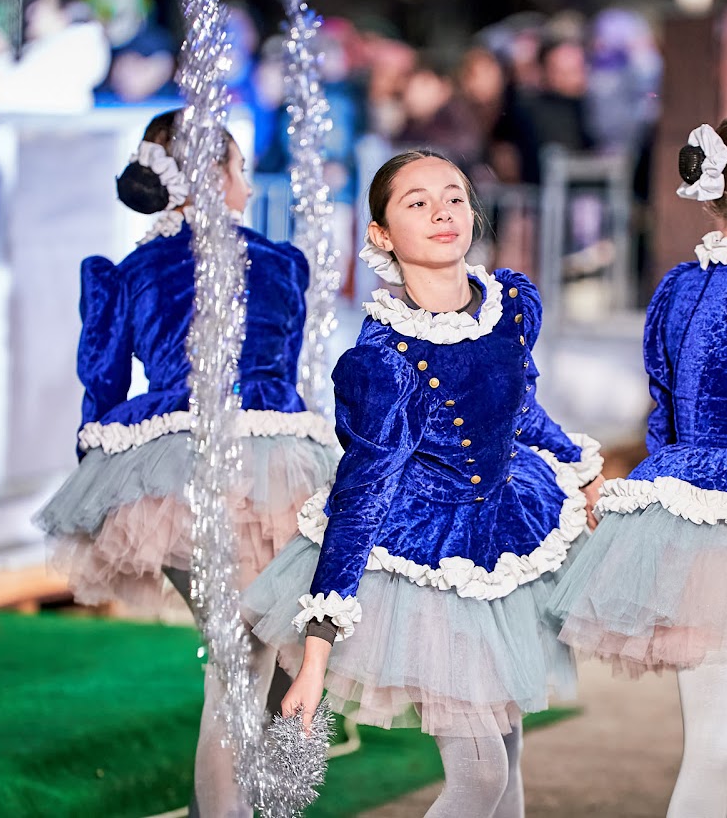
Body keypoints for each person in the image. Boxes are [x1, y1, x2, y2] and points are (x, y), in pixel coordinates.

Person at [241, 150, 604, 818]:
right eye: (417, 202)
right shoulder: (383, 360)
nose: (442, 212)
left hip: (508, 529)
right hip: (424, 558)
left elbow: (518, 408)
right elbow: (362, 495)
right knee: (480, 776)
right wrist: (317, 650)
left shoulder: (509, 306)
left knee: (507, 753)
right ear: (381, 234)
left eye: (454, 197)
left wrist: (579, 468)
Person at [33, 109, 339, 817]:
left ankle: (242, 805)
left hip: (164, 476)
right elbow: (284, 377)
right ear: (215, 175)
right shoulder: (278, 263)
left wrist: (100, 483)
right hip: (275, 467)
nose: (246, 185)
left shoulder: (126, 273)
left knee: (245, 654)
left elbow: (101, 388)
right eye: (240, 169)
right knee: (254, 654)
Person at [549, 108, 727, 817]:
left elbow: (665, 418)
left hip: (685, 508)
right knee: (721, 751)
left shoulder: (678, 288)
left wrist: (665, 507)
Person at [0, 0, 110, 115]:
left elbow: (2, 99)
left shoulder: (68, 56)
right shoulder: (76, 54)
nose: (30, 12)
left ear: (63, 15)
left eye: (43, 5)